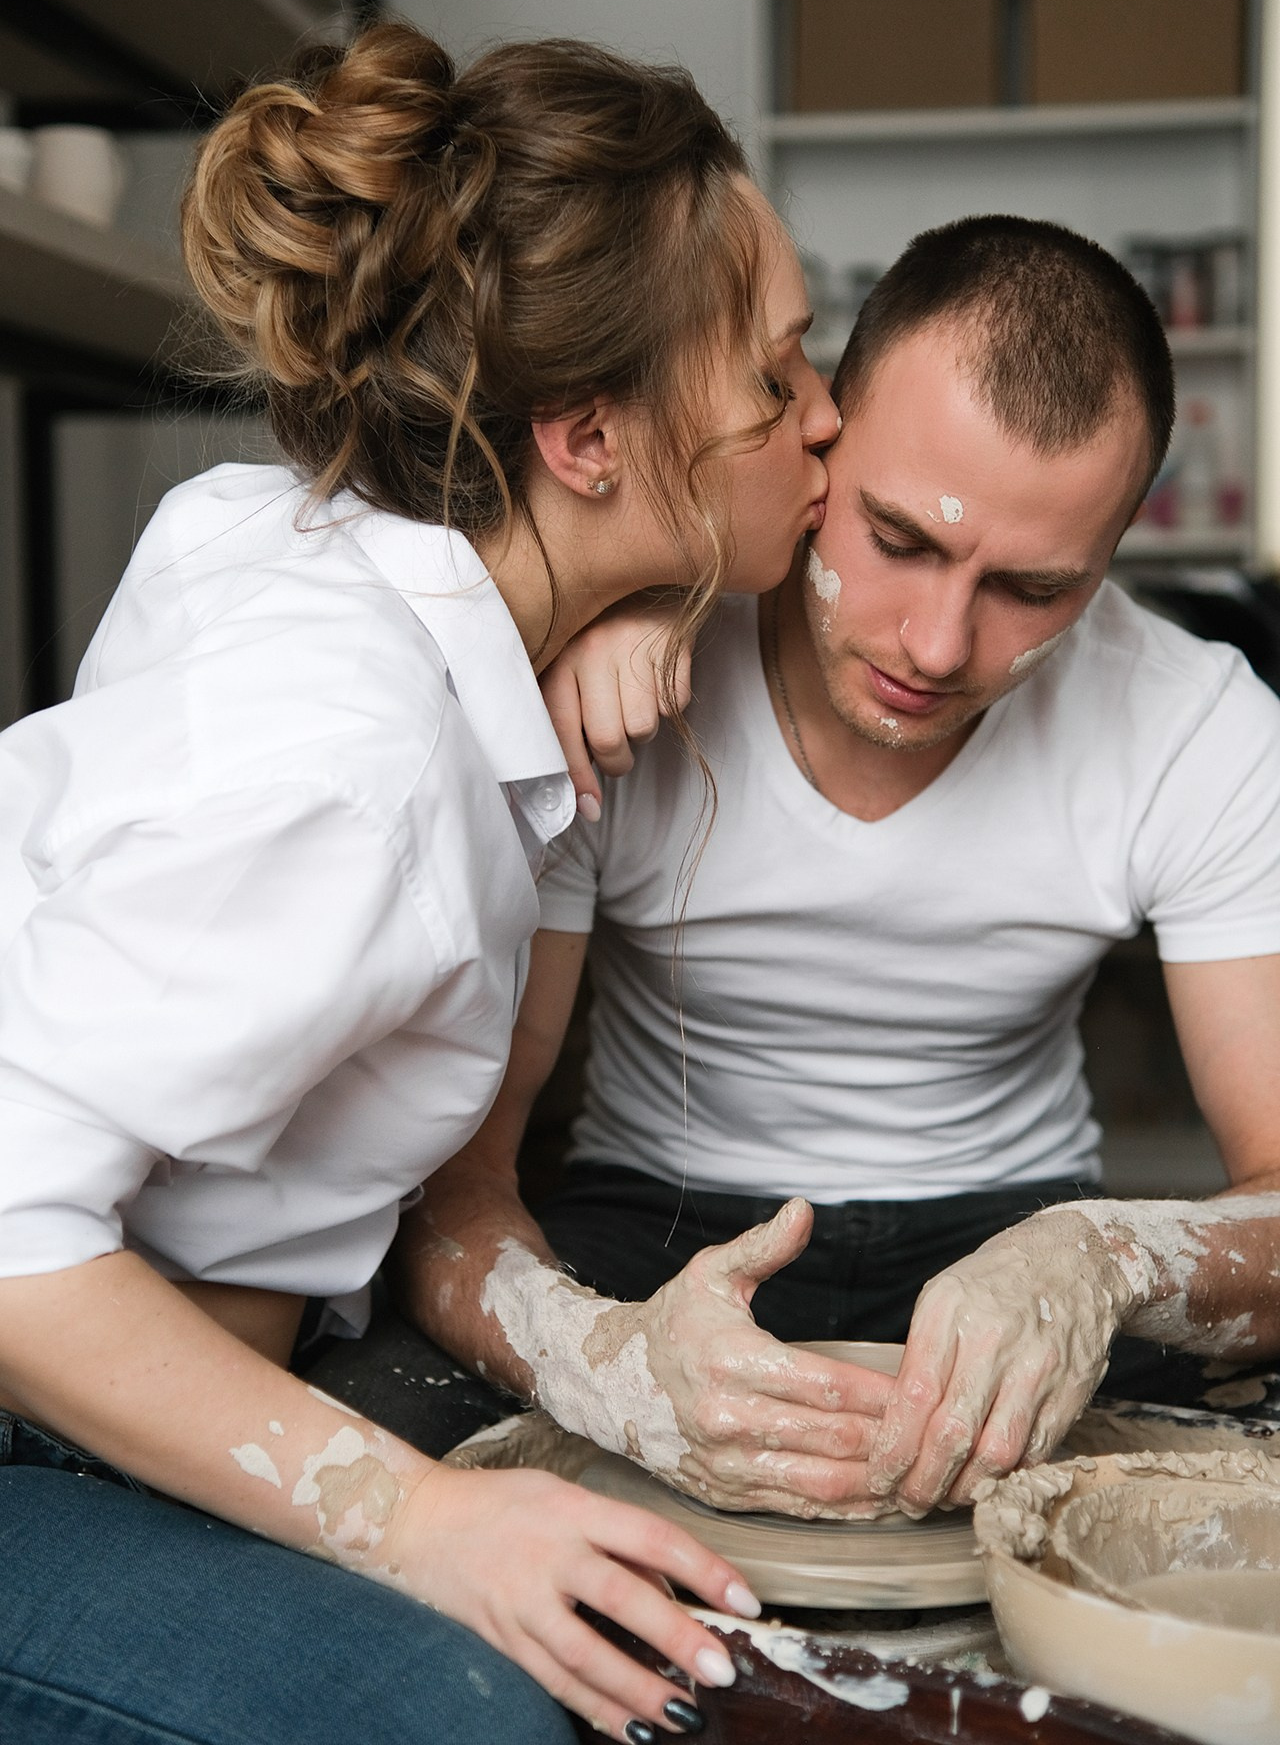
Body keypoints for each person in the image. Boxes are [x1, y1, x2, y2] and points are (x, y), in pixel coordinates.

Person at [0, 20, 843, 1745]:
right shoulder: (355, 762)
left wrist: (605, 602)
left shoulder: (309, 539)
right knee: (482, 1709)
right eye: (778, 377)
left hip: (194, 1349)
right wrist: (420, 1520)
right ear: (587, 439)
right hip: (32, 1405)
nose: (824, 418)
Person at [340, 214, 1280, 1522]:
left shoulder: (1198, 722)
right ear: (816, 433)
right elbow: (459, 1187)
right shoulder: (627, 659)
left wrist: (1105, 1258)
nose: (940, 644)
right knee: (358, 1458)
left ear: (1117, 551)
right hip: (653, 1227)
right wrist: (597, 1361)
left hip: (1020, 1240)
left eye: (1034, 588)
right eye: (899, 540)